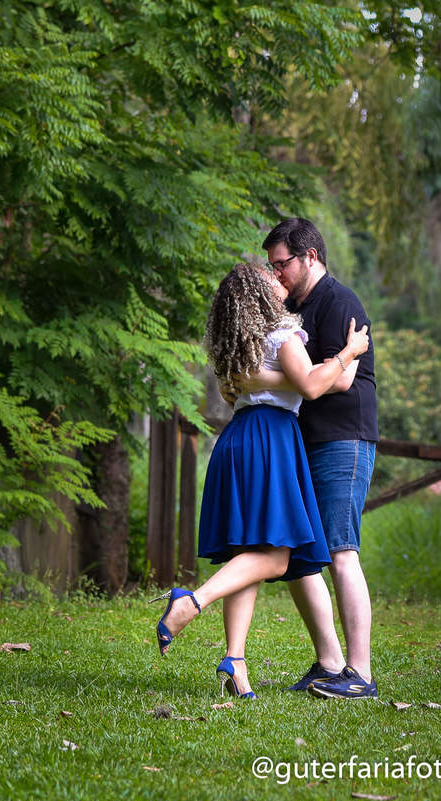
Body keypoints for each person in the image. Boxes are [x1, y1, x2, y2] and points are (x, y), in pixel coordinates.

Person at [150, 261, 368, 699]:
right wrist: (351, 351)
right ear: (258, 295)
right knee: (277, 558)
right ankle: (191, 601)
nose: (278, 278)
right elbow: (314, 384)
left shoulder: (241, 348)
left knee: (247, 552)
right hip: (270, 439)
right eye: (270, 276)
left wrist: (318, 375)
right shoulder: (286, 336)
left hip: (238, 438)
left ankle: (235, 661)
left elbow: (297, 383)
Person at [260, 218, 380, 699]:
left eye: (282, 263)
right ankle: (330, 662)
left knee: (339, 550)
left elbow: (344, 379)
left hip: (343, 438)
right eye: (271, 266)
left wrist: (304, 375)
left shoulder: (339, 302)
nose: (277, 274)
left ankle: (361, 673)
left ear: (310, 256)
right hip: (302, 440)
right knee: (299, 557)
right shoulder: (291, 309)